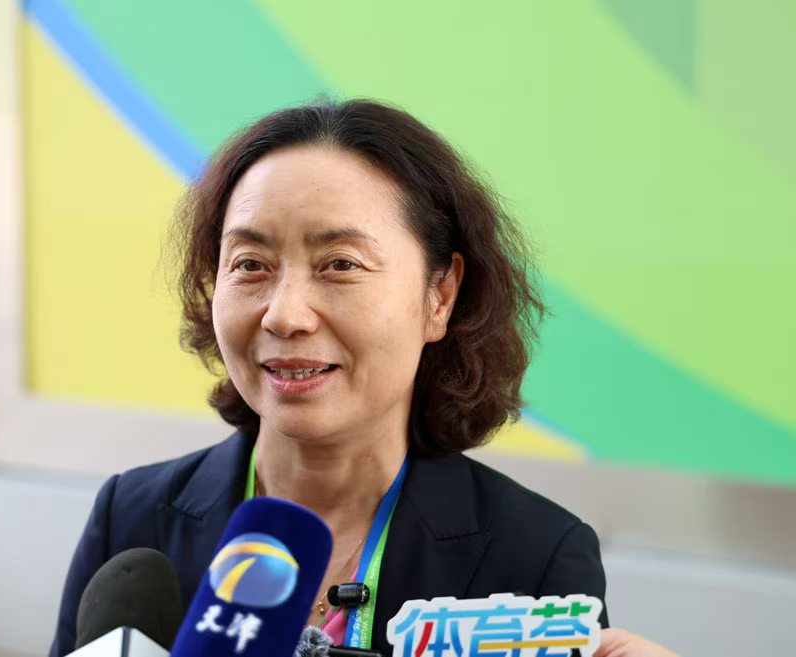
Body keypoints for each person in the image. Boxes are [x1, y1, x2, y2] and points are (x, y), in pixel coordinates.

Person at [48, 99, 607, 657]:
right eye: (250, 264)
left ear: (440, 296)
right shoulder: (131, 517)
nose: (284, 315)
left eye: (340, 264)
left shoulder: (536, 557)